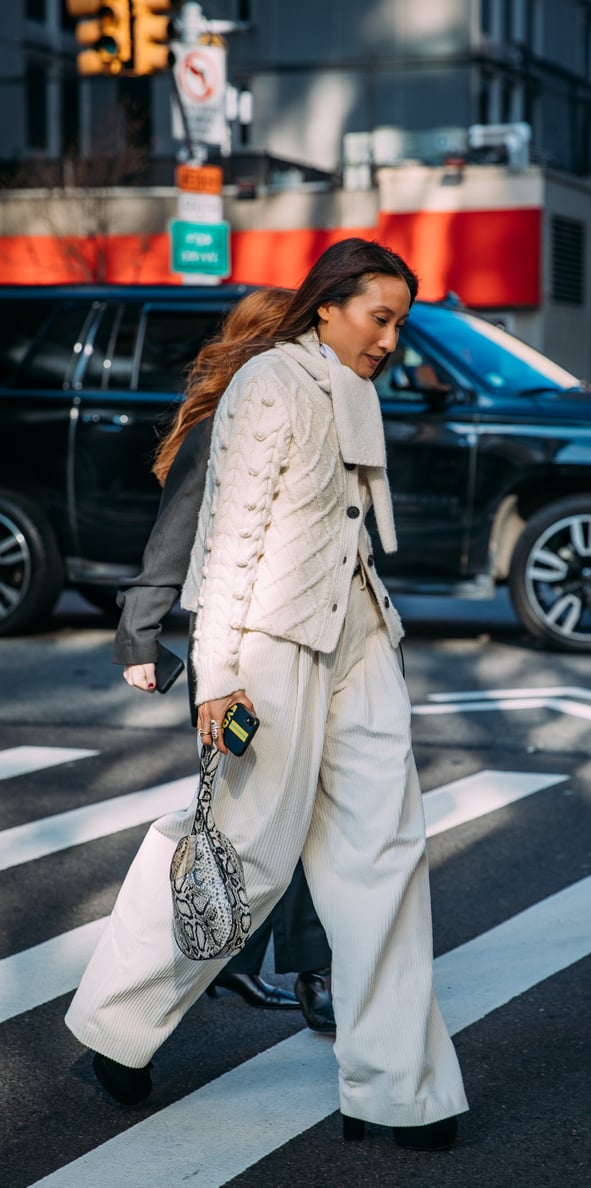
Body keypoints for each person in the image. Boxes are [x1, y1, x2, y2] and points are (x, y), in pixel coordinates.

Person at [66, 237, 468, 1151]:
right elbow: (230, 541)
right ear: (328, 305)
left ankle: (397, 1092)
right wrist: (219, 676)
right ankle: (117, 1031)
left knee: (386, 857)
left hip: (362, 641)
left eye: (401, 322)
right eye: (381, 317)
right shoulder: (270, 386)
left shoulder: (355, 390)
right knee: (241, 858)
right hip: (272, 647)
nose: (391, 338)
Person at [114, 287, 334, 1033]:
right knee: (246, 827)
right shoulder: (229, 422)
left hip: (293, 654)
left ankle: (289, 969)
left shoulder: (295, 412)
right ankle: (141, 1006)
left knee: (289, 819)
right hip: (233, 663)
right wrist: (139, 634)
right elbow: (176, 532)